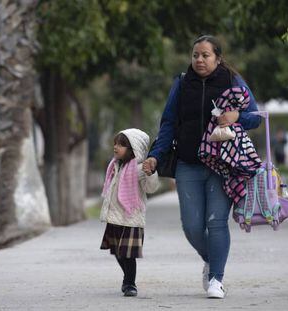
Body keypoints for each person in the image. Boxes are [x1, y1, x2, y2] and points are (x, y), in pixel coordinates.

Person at [143, 35, 261, 299]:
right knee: (192, 226)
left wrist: (237, 116)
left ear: (217, 58)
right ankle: (212, 258)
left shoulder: (232, 81)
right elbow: (168, 123)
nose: (199, 60)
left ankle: (217, 278)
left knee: (216, 222)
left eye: (205, 55)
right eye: (195, 54)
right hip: (188, 164)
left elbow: (255, 117)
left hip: (223, 165)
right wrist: (155, 156)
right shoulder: (182, 84)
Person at [100, 128, 159, 297]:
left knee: (128, 254)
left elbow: (151, 187)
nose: (116, 147)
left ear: (134, 149)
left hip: (131, 218)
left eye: (122, 145)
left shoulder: (140, 169)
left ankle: (129, 283)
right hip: (115, 217)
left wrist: (151, 173)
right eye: (115, 143)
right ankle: (127, 277)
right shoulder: (115, 165)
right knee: (117, 252)